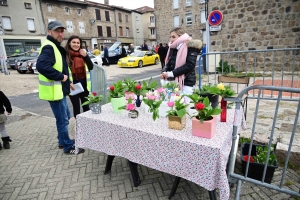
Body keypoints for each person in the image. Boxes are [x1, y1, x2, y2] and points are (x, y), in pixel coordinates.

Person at [36, 20, 85, 155]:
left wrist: (66, 81)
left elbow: (60, 67)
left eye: (62, 31)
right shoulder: (49, 46)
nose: (60, 33)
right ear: (49, 31)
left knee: (64, 117)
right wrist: (61, 77)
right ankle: (68, 147)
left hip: (58, 90)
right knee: (63, 119)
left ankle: (62, 140)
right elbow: (41, 66)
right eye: (57, 31)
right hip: (54, 92)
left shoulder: (54, 46)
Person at [161, 27, 202, 96]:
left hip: (186, 82)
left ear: (181, 37)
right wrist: (164, 72)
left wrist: (172, 73)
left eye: (173, 37)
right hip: (173, 82)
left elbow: (190, 65)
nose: (171, 40)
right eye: (170, 37)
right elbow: (169, 63)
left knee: (185, 104)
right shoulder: (173, 47)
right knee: (173, 104)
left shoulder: (191, 46)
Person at [65, 35, 93, 118]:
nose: (76, 44)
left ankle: (87, 125)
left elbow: (91, 67)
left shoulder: (82, 54)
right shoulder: (66, 56)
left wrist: (86, 56)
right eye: (74, 42)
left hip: (84, 85)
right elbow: (63, 71)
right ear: (69, 43)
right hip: (73, 86)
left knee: (86, 107)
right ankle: (78, 126)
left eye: (78, 43)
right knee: (76, 108)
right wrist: (69, 83)